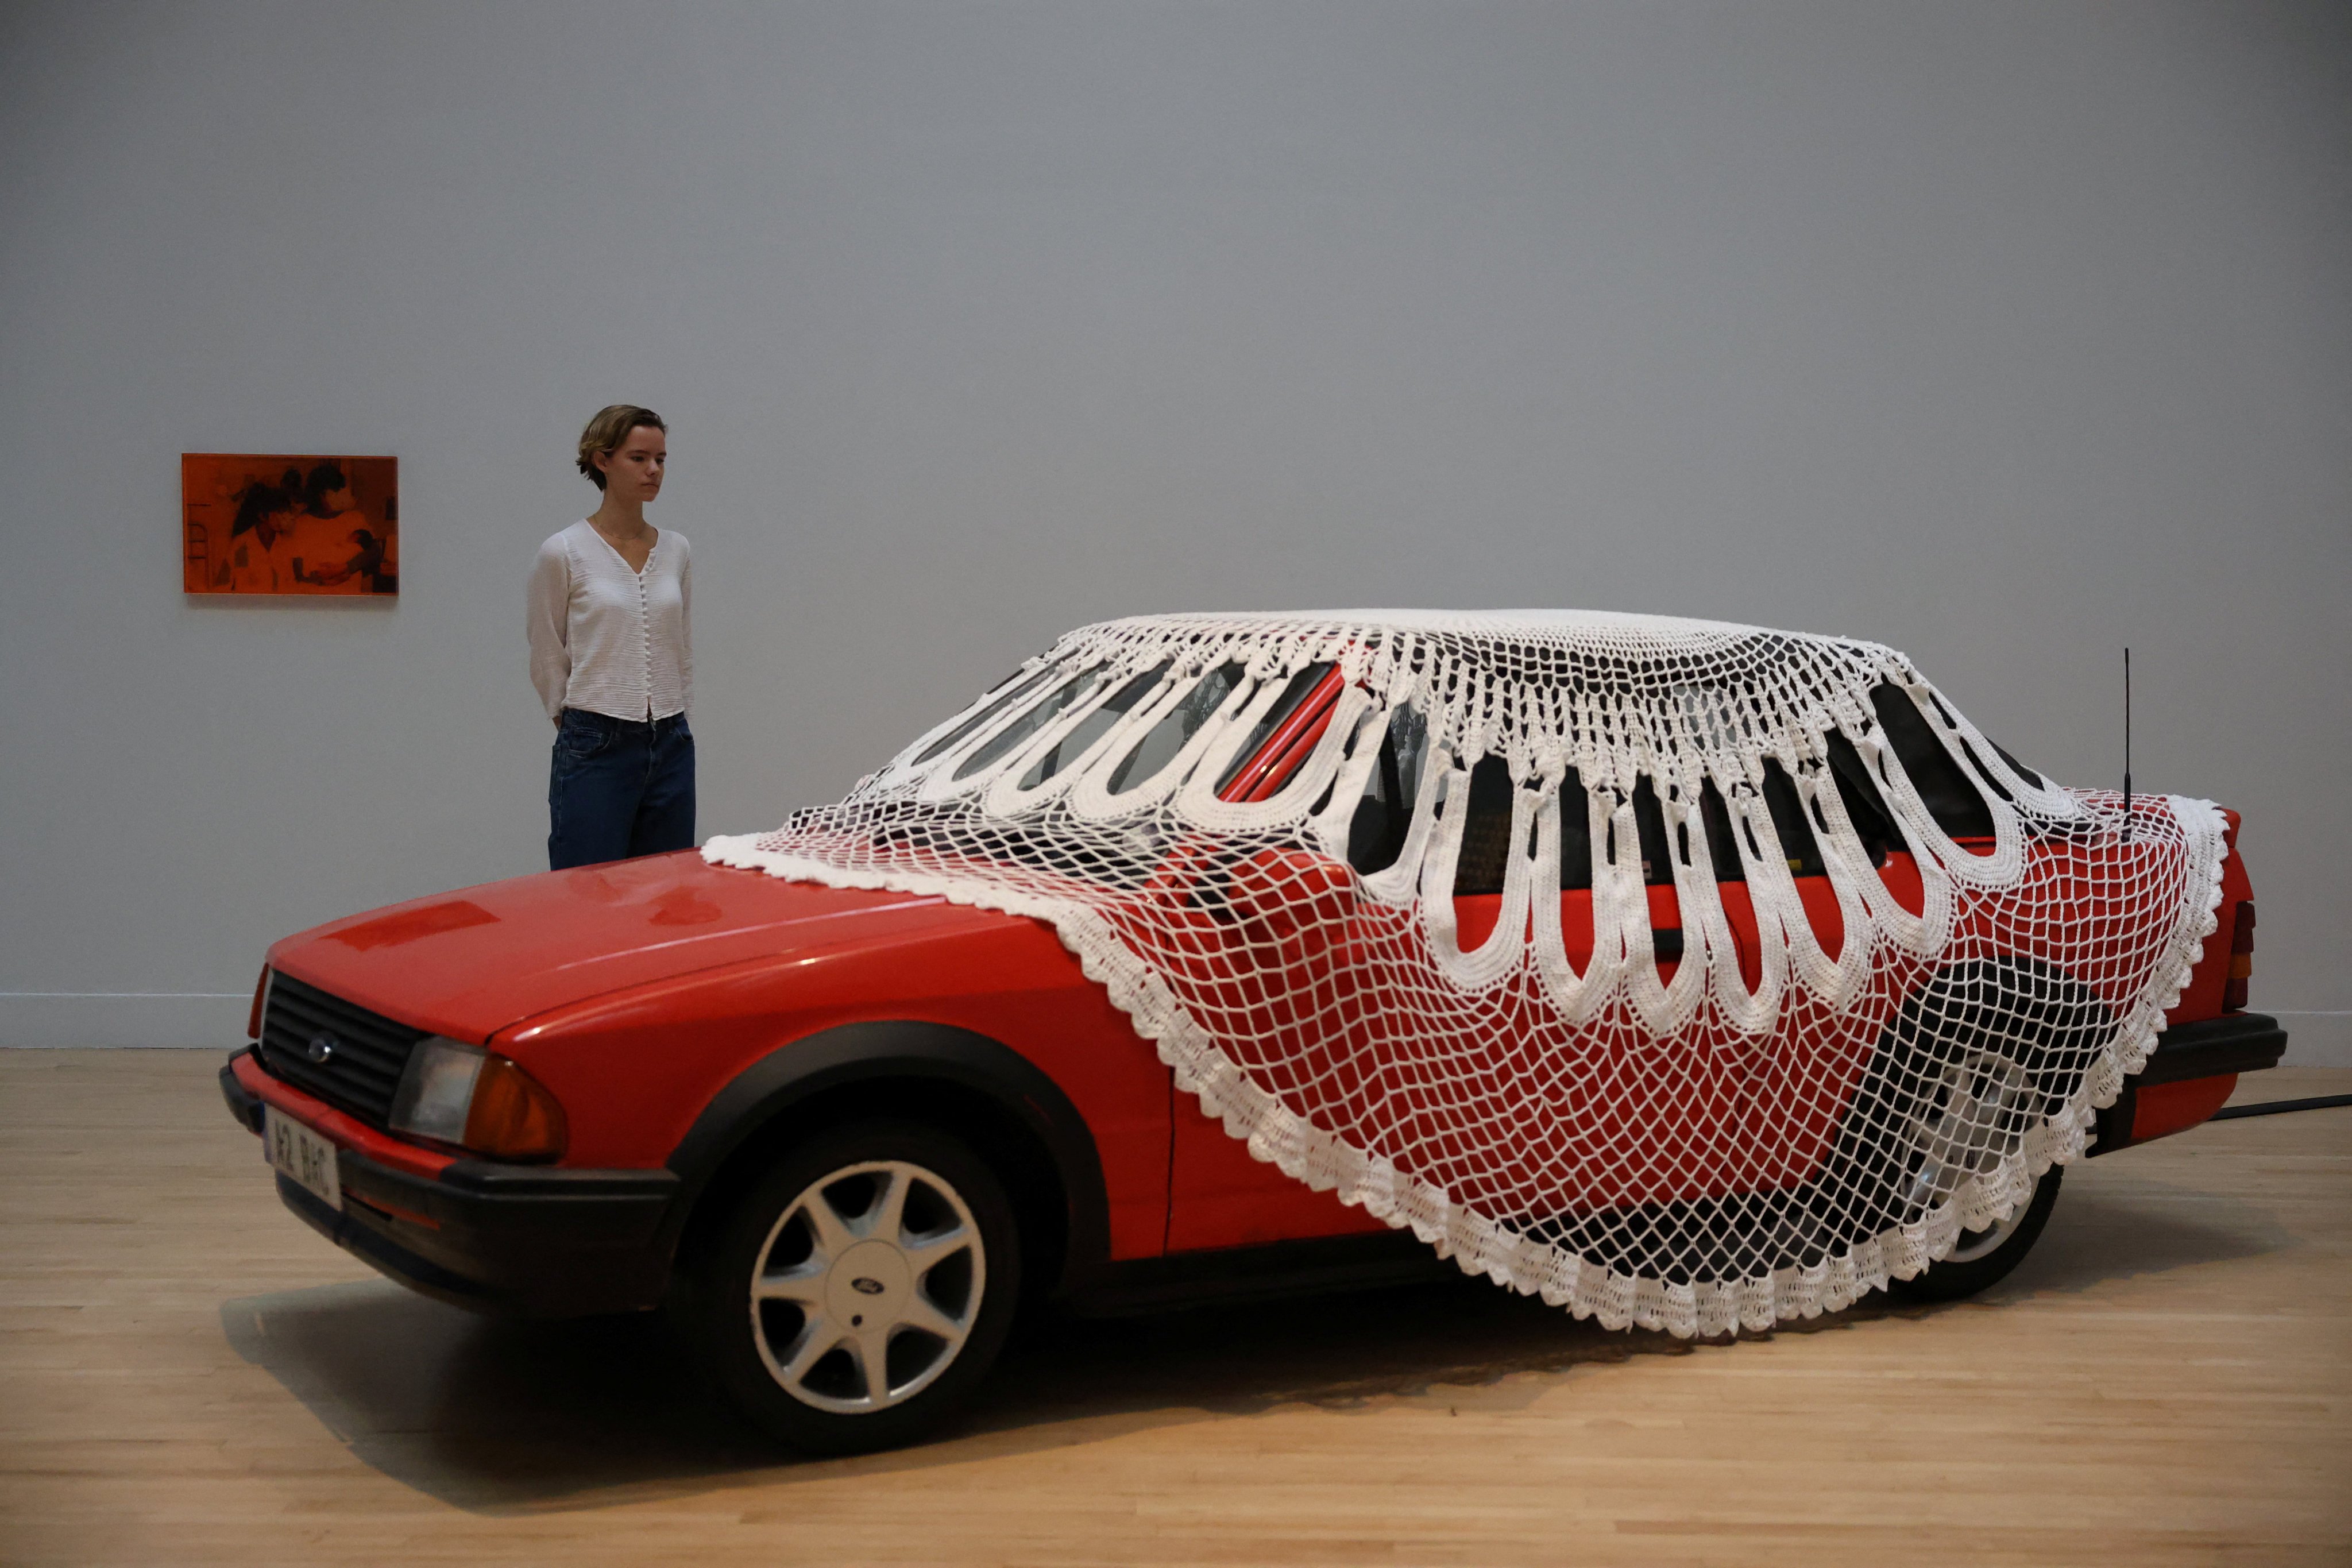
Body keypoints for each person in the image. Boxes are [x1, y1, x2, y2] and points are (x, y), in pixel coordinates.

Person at [527, 405, 694, 870]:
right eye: (639, 458)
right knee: (587, 892)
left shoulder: (676, 549)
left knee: (667, 892)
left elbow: (680, 646)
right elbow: (545, 649)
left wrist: (678, 716)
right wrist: (575, 724)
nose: (654, 470)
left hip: (671, 740)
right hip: (595, 739)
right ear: (602, 460)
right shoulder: (563, 551)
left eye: (661, 459)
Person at [215, 482, 299, 592]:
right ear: (263, 516)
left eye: (285, 511)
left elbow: (290, 584)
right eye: (279, 512)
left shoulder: (285, 543)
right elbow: (222, 587)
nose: (284, 517)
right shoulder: (241, 545)